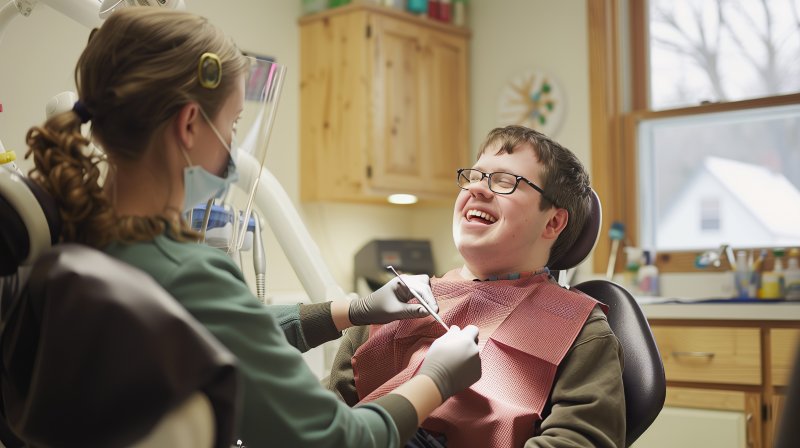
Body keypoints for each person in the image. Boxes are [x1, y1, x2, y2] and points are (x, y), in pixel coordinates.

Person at [24, 7, 481, 448]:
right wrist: (435, 379)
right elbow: (338, 439)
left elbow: (218, 331)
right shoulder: (186, 272)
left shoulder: (88, 237)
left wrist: (354, 309)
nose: (232, 145)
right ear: (188, 124)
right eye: (232, 122)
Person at [327, 125, 625, 448]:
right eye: (476, 176)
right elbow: (323, 417)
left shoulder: (580, 331)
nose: (478, 189)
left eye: (505, 182)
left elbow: (578, 441)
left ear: (553, 222)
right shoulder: (399, 302)